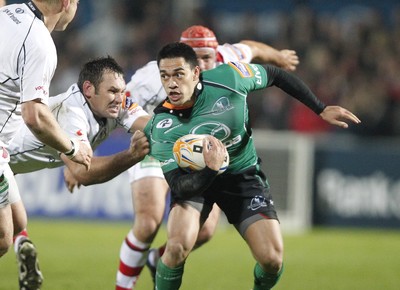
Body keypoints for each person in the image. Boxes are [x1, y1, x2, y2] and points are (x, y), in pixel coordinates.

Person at [143, 42, 361, 290]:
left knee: (272, 260)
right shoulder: (161, 125)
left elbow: (275, 74)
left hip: (242, 177)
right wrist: (210, 169)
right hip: (196, 183)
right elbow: (179, 186)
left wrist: (319, 108)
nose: (171, 83)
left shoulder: (230, 78)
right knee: (176, 246)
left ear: (195, 73)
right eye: (164, 76)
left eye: (178, 74)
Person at [115, 25, 300, 290]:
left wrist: (278, 57)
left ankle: (160, 260)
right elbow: (120, 104)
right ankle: (123, 286)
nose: (202, 62)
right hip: (158, 141)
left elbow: (254, 48)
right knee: (148, 222)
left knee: (204, 232)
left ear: (216, 54)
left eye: (207, 57)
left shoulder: (228, 64)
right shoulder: (151, 76)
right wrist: (151, 128)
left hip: (205, 153)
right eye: (195, 56)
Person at [8, 56, 150, 290]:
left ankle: (20, 241)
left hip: (6, 167)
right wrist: (131, 156)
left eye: (122, 91)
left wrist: (186, 135)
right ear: (88, 89)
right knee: (7, 234)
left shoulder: (115, 104)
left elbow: (149, 125)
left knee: (16, 227)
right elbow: (84, 172)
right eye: (112, 90)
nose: (119, 97)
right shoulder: (71, 111)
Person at [0, 0, 92, 261]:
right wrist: (72, 148)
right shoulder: (40, 43)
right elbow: (35, 115)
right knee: (3, 237)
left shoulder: (7, 14)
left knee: (18, 222)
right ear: (66, 3)